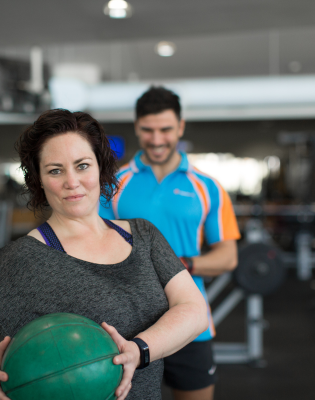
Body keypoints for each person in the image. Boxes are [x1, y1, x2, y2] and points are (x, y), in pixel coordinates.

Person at [0, 109, 208, 400]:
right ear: (39, 180)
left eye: (82, 165)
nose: (72, 181)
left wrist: (139, 349)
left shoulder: (143, 236)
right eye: (55, 170)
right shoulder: (22, 258)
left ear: (100, 167)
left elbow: (194, 310)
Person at [99, 87, 241, 400]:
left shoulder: (207, 187)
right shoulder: (113, 185)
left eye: (165, 129)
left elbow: (228, 257)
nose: (156, 139)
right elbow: (94, 244)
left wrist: (176, 265)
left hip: (191, 324)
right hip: (127, 326)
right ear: (137, 127)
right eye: (148, 130)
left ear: (180, 127)